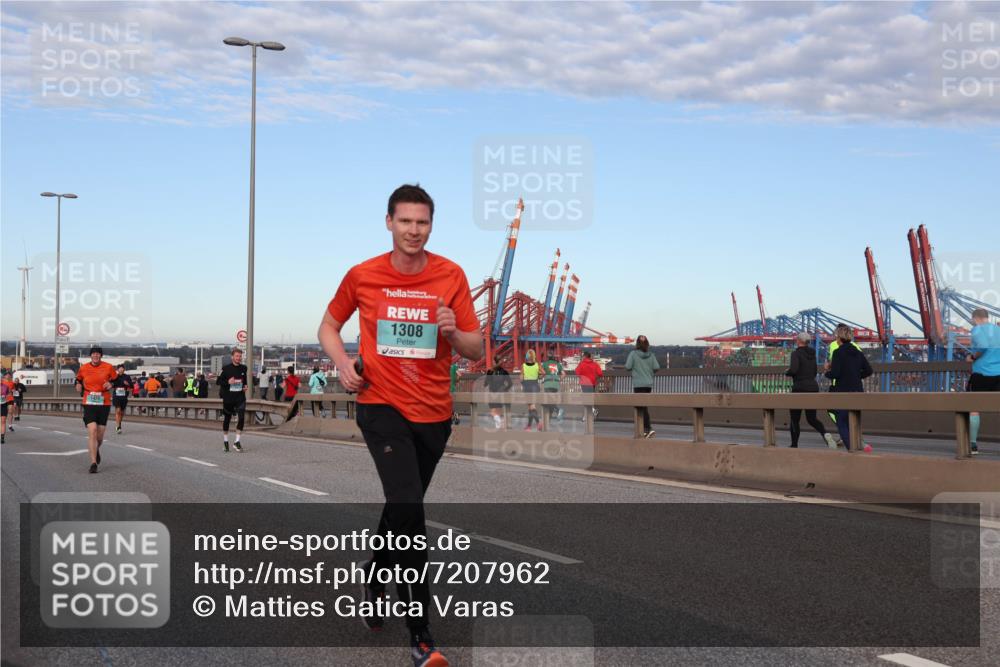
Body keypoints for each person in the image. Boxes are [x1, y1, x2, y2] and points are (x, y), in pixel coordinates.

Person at [317, 183, 482, 667]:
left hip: (433, 414)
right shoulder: (363, 275)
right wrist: (342, 363)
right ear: (389, 222)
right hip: (380, 406)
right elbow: (328, 326)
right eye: (405, 220)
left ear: (431, 226)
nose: (414, 230)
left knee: (400, 509)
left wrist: (453, 331)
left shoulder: (451, 275)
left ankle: (373, 579)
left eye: (422, 222)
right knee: (410, 513)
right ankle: (421, 636)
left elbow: (475, 348)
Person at [824, 325, 873, 451]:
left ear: (839, 338)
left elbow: (835, 374)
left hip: (843, 392)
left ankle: (852, 450)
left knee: (841, 421)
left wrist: (826, 371)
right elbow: (869, 370)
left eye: (836, 336)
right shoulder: (858, 353)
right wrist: (856, 376)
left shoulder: (838, 352)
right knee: (854, 421)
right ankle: (860, 445)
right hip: (857, 391)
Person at [785, 333, 837, 449]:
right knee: (812, 419)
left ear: (799, 341)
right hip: (813, 387)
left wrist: (787, 372)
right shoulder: (812, 354)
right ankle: (825, 433)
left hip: (799, 388)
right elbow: (814, 372)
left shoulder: (795, 354)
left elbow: (794, 370)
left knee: (795, 419)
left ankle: (794, 445)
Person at [75, 346, 117, 473]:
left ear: (101, 356)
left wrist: (111, 384)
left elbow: (117, 380)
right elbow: (78, 379)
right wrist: (77, 384)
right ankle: (93, 463)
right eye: (93, 354)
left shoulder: (108, 367)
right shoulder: (84, 368)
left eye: (98, 354)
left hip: (104, 402)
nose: (95, 356)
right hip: (89, 402)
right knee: (92, 430)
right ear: (90, 356)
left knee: (100, 436)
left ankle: (96, 448)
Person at [968, 308, 1000, 455]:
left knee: (974, 409)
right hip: (998, 374)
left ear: (975, 318)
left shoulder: (977, 329)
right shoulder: (998, 330)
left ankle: (973, 445)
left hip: (981, 374)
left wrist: (972, 357)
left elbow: (983, 345)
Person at [626, 335, 660, 438]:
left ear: (637, 343)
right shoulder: (651, 355)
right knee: (643, 406)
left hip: (638, 384)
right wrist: (649, 372)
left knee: (641, 407)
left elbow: (628, 366)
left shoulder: (633, 354)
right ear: (647, 344)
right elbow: (656, 367)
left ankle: (647, 428)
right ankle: (644, 430)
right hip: (648, 384)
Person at [216, 348, 247, 452]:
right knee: (227, 419)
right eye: (237, 356)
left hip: (240, 397)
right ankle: (226, 442)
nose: (239, 358)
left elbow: (244, 380)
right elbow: (218, 382)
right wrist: (228, 382)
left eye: (240, 356)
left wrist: (245, 386)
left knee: (241, 417)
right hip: (228, 398)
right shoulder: (225, 369)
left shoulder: (244, 368)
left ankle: (237, 442)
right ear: (232, 357)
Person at [484, 355, 512, 429]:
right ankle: (500, 427)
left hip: (492, 394)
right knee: (499, 412)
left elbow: (485, 384)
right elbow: (510, 384)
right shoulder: (504, 372)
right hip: (501, 394)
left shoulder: (490, 371)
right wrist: (504, 389)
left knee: (493, 412)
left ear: (494, 362)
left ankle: (498, 425)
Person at [575, 350, 603, 418]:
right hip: (592, 383)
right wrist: (595, 378)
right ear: (589, 357)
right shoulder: (595, 364)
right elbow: (600, 373)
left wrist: (581, 377)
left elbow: (577, 373)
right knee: (589, 398)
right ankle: (589, 414)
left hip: (584, 383)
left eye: (582, 356)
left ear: (584, 356)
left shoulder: (581, 364)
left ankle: (588, 414)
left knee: (586, 399)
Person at [541, 349, 565, 421]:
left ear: (548, 357)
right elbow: (564, 374)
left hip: (548, 384)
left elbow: (543, 373)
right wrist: (559, 380)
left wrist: (540, 377)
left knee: (547, 401)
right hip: (556, 385)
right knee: (551, 401)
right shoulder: (558, 364)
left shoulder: (545, 364)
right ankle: (549, 419)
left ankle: (558, 410)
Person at [110, 364, 134, 435]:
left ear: (124, 369)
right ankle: (118, 427)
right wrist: (112, 384)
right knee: (118, 411)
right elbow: (111, 384)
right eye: (120, 368)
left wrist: (127, 384)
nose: (121, 369)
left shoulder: (127, 377)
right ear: (117, 370)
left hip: (124, 396)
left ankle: (119, 424)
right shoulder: (115, 376)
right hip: (116, 395)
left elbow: (132, 386)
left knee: (122, 412)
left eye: (122, 368)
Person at [521, 349, 541, 431]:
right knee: (531, 407)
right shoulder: (537, 365)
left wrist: (522, 383)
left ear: (526, 357)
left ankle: (538, 423)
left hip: (527, 386)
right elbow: (543, 373)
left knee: (532, 406)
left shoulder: (523, 365)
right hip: (535, 385)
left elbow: (521, 377)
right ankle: (529, 426)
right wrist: (539, 376)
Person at [0, 373, 12, 444]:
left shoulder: (5, 386)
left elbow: (9, 394)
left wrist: (5, 397)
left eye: (0, 378)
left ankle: (2, 438)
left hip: (3, 405)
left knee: (3, 421)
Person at [449, 361, 460, 425]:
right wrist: (456, 381)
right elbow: (459, 374)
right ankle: (455, 416)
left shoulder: (444, 366)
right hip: (452, 389)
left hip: (444, 389)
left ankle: (453, 417)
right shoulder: (454, 366)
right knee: (451, 404)